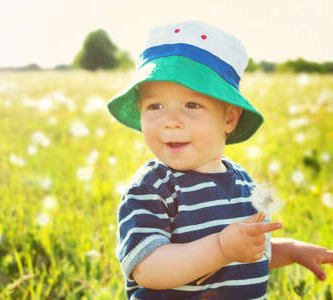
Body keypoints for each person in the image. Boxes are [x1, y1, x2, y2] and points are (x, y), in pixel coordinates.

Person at [107, 20, 333, 299]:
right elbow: (148, 269)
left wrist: (293, 250)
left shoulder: (244, 184)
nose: (171, 121)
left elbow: (245, 252)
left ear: (228, 118)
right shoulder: (152, 187)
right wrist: (221, 248)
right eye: (156, 106)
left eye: (192, 105)